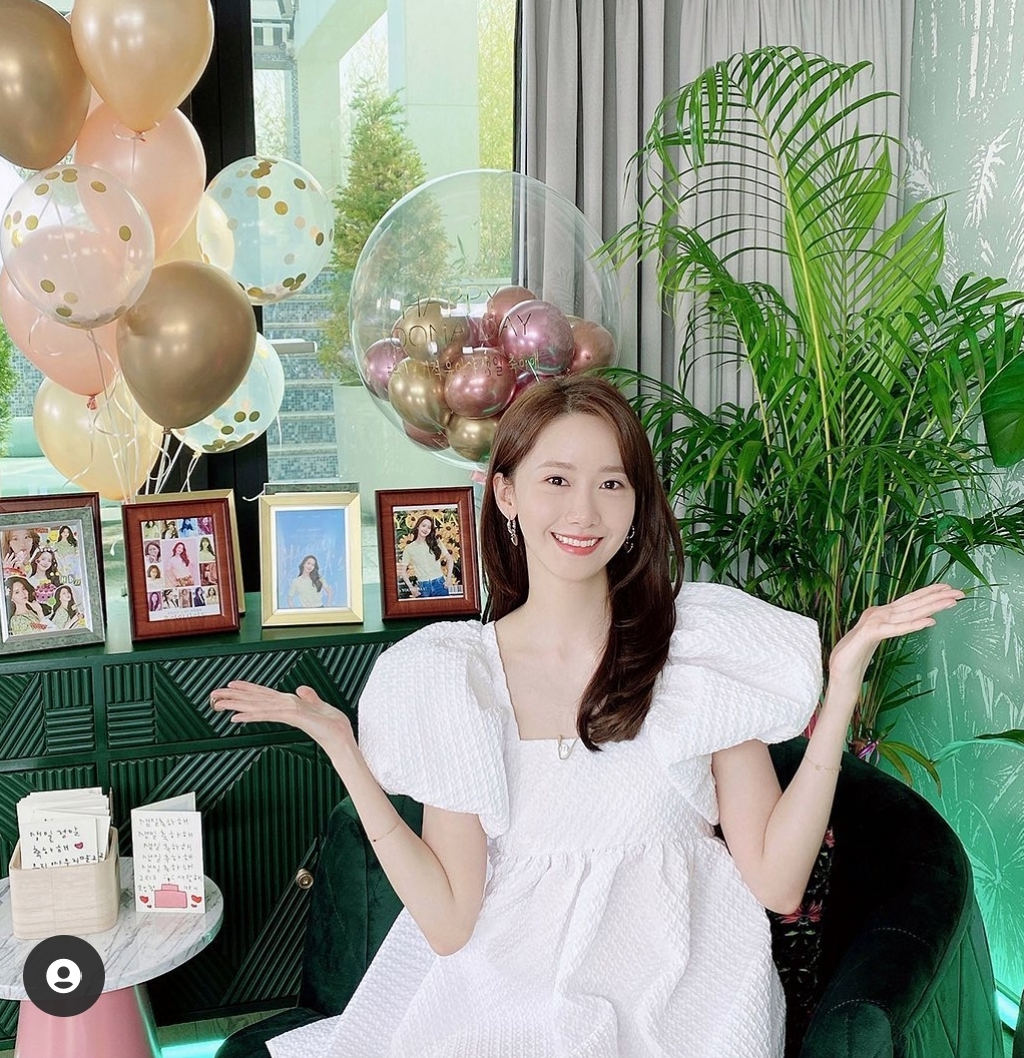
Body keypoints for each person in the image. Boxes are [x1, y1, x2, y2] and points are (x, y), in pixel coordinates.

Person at [210, 375, 964, 1058]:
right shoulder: (455, 678)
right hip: (506, 985)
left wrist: (841, 685)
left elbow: (776, 882)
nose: (583, 511)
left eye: (610, 483)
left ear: (637, 503)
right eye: (556, 480)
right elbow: (448, 922)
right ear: (505, 493)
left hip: (683, 996)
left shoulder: (699, 652)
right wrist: (344, 751)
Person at [398, 514, 455, 598]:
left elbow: (450, 559)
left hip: (440, 584)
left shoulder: (436, 543)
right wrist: (411, 588)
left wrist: (448, 578)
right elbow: (403, 570)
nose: (426, 529)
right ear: (418, 526)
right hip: (423, 587)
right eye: (423, 525)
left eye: (429, 527)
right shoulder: (409, 548)